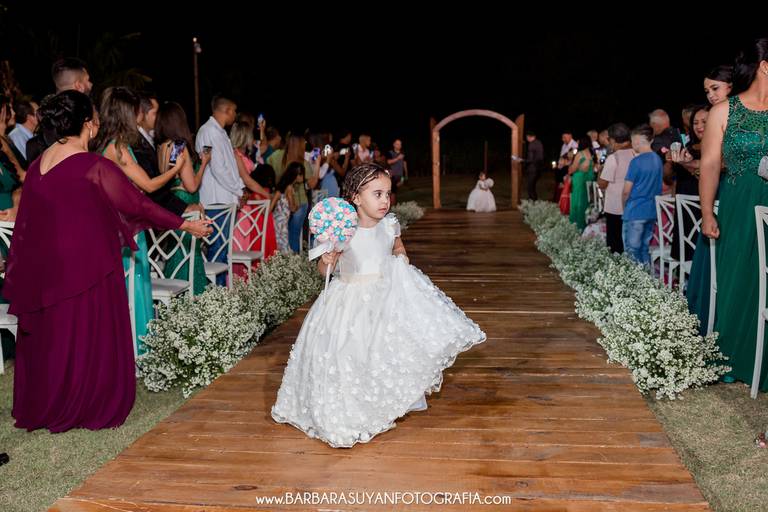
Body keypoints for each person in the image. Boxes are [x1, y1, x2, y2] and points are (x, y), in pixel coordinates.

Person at [4, 91, 210, 433]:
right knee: (87, 332)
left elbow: (28, 223)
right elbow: (137, 205)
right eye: (96, 119)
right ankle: (86, 400)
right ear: (87, 124)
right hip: (89, 265)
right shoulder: (93, 166)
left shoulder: (38, 165)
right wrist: (184, 224)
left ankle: (53, 400)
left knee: (58, 336)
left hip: (49, 270)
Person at [271, 163, 486, 448]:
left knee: (384, 351)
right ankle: (349, 405)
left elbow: (397, 248)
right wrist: (327, 259)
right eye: (377, 194)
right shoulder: (344, 231)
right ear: (356, 198)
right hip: (349, 301)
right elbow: (324, 272)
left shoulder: (390, 225)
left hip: (385, 297)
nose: (385, 200)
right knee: (349, 352)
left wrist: (401, 261)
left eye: (387, 193)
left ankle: (378, 399)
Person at [700, 38, 768, 390]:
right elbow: (710, 164)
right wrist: (707, 211)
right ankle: (733, 357)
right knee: (739, 277)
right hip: (740, 203)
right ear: (765, 66)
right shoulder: (725, 111)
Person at [622, 124, 663, 266]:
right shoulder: (657, 159)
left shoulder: (636, 161)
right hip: (651, 211)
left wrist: (624, 206)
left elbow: (626, 191)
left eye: (632, 141)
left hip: (635, 210)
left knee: (631, 250)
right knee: (644, 248)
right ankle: (646, 276)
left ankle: (634, 278)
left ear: (638, 141)